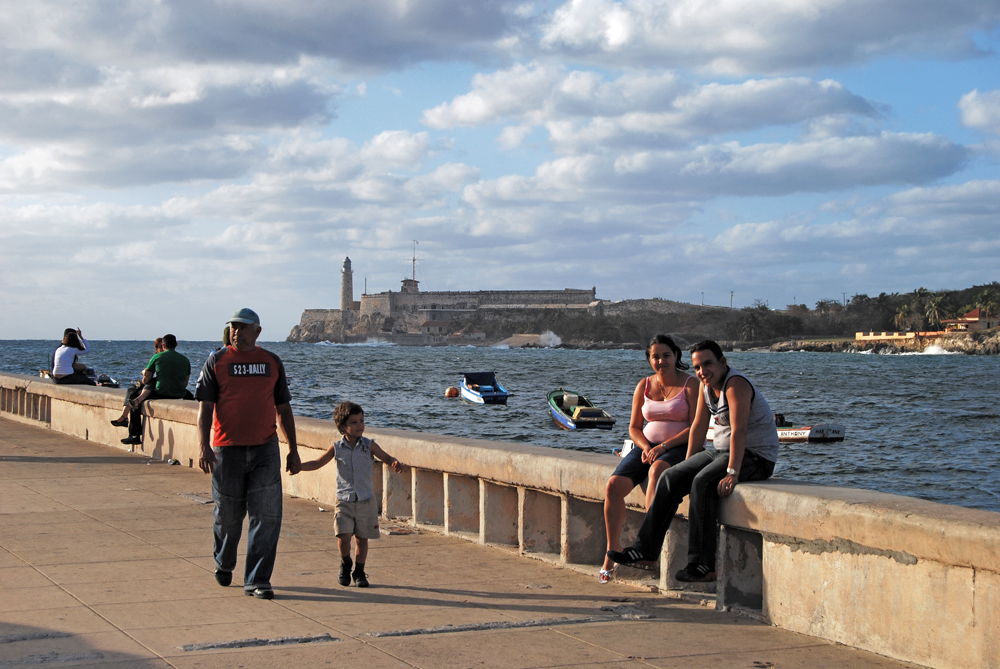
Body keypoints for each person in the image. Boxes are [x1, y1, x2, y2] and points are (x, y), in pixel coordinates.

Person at [607, 340, 779, 583]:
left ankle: (702, 564)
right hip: (720, 451)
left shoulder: (735, 385)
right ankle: (645, 551)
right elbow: (698, 426)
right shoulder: (706, 387)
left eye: (707, 364)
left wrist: (732, 472)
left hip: (754, 456)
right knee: (670, 476)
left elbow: (739, 431)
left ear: (723, 362)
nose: (702, 371)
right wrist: (685, 467)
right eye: (697, 367)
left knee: (703, 483)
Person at [195, 308, 301, 600]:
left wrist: (292, 449)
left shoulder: (271, 362)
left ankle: (258, 580)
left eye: (243, 328)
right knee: (228, 516)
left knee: (267, 516)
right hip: (226, 451)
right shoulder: (217, 361)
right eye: (233, 327)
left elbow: (283, 409)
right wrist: (204, 445)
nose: (237, 333)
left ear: (258, 331)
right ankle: (224, 561)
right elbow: (205, 407)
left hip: (265, 448)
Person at [599, 334, 697, 583]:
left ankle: (647, 547)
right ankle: (612, 552)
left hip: (677, 446)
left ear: (676, 356)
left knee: (657, 472)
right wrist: (645, 446)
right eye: (656, 356)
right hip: (646, 446)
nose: (661, 361)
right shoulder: (644, 385)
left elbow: (697, 425)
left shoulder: (691, 384)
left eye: (666, 355)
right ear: (649, 360)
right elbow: (634, 427)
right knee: (613, 486)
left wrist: (663, 446)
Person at [294, 401, 402, 588]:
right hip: (344, 500)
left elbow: (386, 457)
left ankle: (359, 571)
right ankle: (346, 563)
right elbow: (318, 462)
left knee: (362, 539)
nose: (360, 425)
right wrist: (299, 467)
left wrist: (394, 462)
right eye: (354, 422)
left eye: (361, 421)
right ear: (343, 427)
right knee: (343, 537)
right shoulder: (337, 447)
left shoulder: (369, 445)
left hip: (365, 500)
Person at [118, 334, 192, 445]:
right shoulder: (185, 360)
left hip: (160, 392)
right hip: (179, 393)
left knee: (135, 398)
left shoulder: (157, 357)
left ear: (163, 345)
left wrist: (144, 374)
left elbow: (146, 381)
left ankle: (134, 435)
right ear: (176, 345)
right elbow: (185, 383)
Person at [110, 338, 164, 429]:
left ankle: (125, 418)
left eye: (163, 347)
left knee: (134, 393)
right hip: (155, 383)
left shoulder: (157, 358)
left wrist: (144, 373)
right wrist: (144, 372)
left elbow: (146, 379)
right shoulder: (155, 358)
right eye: (160, 347)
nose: (162, 349)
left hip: (156, 385)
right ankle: (124, 417)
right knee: (132, 391)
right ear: (156, 349)